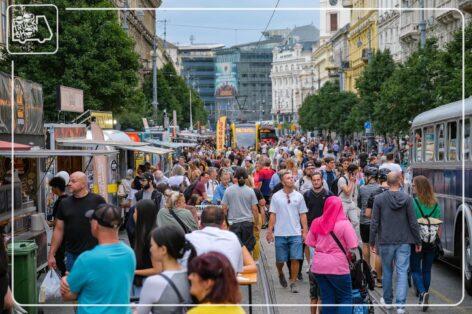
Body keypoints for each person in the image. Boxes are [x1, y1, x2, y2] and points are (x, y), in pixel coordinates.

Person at [60, 204, 136, 312]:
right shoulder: (129, 254)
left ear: (95, 224)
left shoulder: (87, 259)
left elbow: (67, 295)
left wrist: (65, 280)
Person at [370, 172, 421, 314]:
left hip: (385, 240)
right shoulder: (407, 199)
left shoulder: (379, 199)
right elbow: (413, 222)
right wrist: (418, 240)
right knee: (402, 272)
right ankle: (400, 306)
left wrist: (372, 240)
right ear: (399, 181)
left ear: (387, 181)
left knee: (387, 272)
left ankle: (387, 301)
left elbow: (374, 222)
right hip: (404, 241)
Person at [306, 196, 358, 314]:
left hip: (319, 266)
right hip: (338, 267)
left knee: (327, 298)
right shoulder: (345, 224)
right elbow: (353, 245)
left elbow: (310, 243)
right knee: (345, 298)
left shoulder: (316, 222)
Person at [48, 171, 106, 272]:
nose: (69, 183)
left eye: (73, 181)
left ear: (83, 184)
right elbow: (58, 229)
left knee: (93, 286)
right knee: (72, 287)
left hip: (94, 254)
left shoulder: (98, 200)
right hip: (72, 255)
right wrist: (51, 254)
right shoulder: (64, 203)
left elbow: (106, 227)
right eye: (69, 181)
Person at [266, 170, 308, 293]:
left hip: (295, 233)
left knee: (295, 258)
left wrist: (305, 231)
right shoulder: (276, 196)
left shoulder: (299, 196)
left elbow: (303, 215)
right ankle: (280, 273)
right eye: (288, 178)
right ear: (282, 182)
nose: (291, 179)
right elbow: (273, 215)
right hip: (280, 233)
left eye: (292, 177)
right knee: (280, 260)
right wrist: (269, 231)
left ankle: (293, 281)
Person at [138, 225, 194, 314]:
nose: (150, 249)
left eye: (152, 245)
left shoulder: (153, 282)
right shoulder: (192, 275)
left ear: (163, 249)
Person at [410, 175, 442, 310]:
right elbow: (439, 226)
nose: (412, 187)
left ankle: (422, 293)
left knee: (415, 269)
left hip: (417, 241)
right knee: (427, 270)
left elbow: (411, 224)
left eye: (414, 185)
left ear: (419, 187)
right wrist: (435, 241)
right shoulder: (436, 204)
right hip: (431, 242)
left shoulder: (414, 202)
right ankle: (425, 295)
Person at [221, 167, 259, 252]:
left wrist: (226, 222)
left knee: (235, 249)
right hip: (247, 223)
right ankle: (248, 264)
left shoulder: (228, 190)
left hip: (233, 223)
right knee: (247, 249)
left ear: (235, 177)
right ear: (246, 177)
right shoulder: (250, 191)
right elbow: (255, 209)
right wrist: (256, 223)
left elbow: (224, 208)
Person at [366, 167, 391, 288]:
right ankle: (389, 277)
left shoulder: (374, 194)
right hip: (394, 227)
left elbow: (367, 214)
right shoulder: (396, 192)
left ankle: (380, 280)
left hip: (379, 227)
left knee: (379, 254)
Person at [132, 199, 159, 298]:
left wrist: (133, 271)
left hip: (149, 285)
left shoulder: (152, 237)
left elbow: (157, 269)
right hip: (143, 284)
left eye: (135, 212)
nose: (133, 215)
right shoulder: (143, 233)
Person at [357, 166, 380, 268]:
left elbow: (359, 203)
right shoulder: (380, 189)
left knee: (365, 244)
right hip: (376, 221)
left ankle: (367, 267)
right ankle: (375, 269)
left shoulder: (362, 188)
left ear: (369, 177)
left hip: (364, 220)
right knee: (375, 246)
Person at [48, 176, 68, 276]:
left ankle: (65, 278)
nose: (52, 190)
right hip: (69, 236)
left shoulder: (59, 202)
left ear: (56, 188)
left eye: (52, 188)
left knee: (59, 259)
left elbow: (57, 222)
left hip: (61, 237)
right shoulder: (69, 199)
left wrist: (49, 223)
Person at [338, 164, 360, 239]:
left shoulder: (353, 179)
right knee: (342, 221)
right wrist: (351, 181)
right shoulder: (342, 179)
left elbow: (355, 192)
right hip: (343, 202)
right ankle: (342, 236)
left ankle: (348, 234)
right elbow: (347, 191)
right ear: (350, 172)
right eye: (355, 173)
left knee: (355, 221)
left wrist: (355, 202)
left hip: (351, 202)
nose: (356, 174)